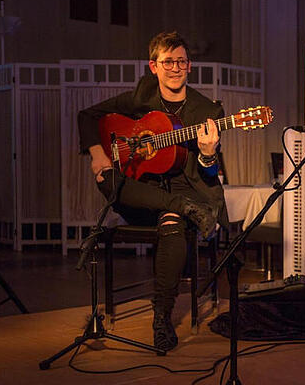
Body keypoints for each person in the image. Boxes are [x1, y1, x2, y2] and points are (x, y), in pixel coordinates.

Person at [77, 31, 228, 352]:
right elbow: (88, 115)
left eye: (181, 61)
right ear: (153, 66)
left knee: (172, 223)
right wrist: (97, 152)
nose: (175, 68)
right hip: (139, 191)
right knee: (106, 178)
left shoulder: (206, 112)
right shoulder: (142, 95)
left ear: (190, 67)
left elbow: (211, 174)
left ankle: (161, 318)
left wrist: (207, 153)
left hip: (185, 189)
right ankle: (181, 206)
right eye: (167, 61)